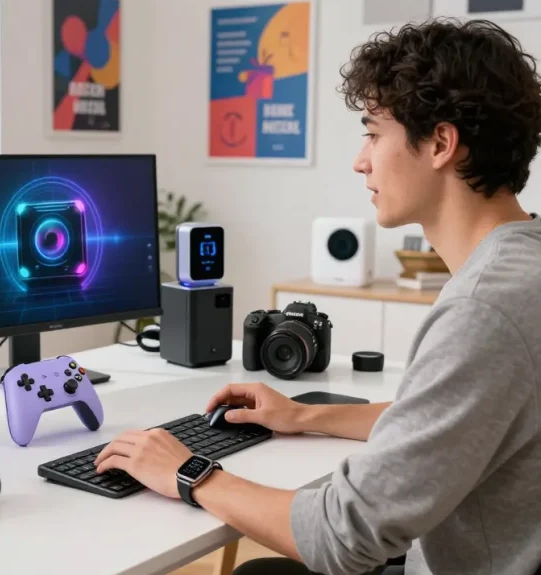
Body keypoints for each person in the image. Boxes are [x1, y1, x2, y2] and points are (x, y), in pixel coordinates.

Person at [93, 17, 541, 575]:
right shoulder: (523, 266)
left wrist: (188, 472)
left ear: (441, 144)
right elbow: (443, 424)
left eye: (374, 134)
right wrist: (303, 415)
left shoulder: (484, 309)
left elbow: (342, 536)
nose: (360, 160)